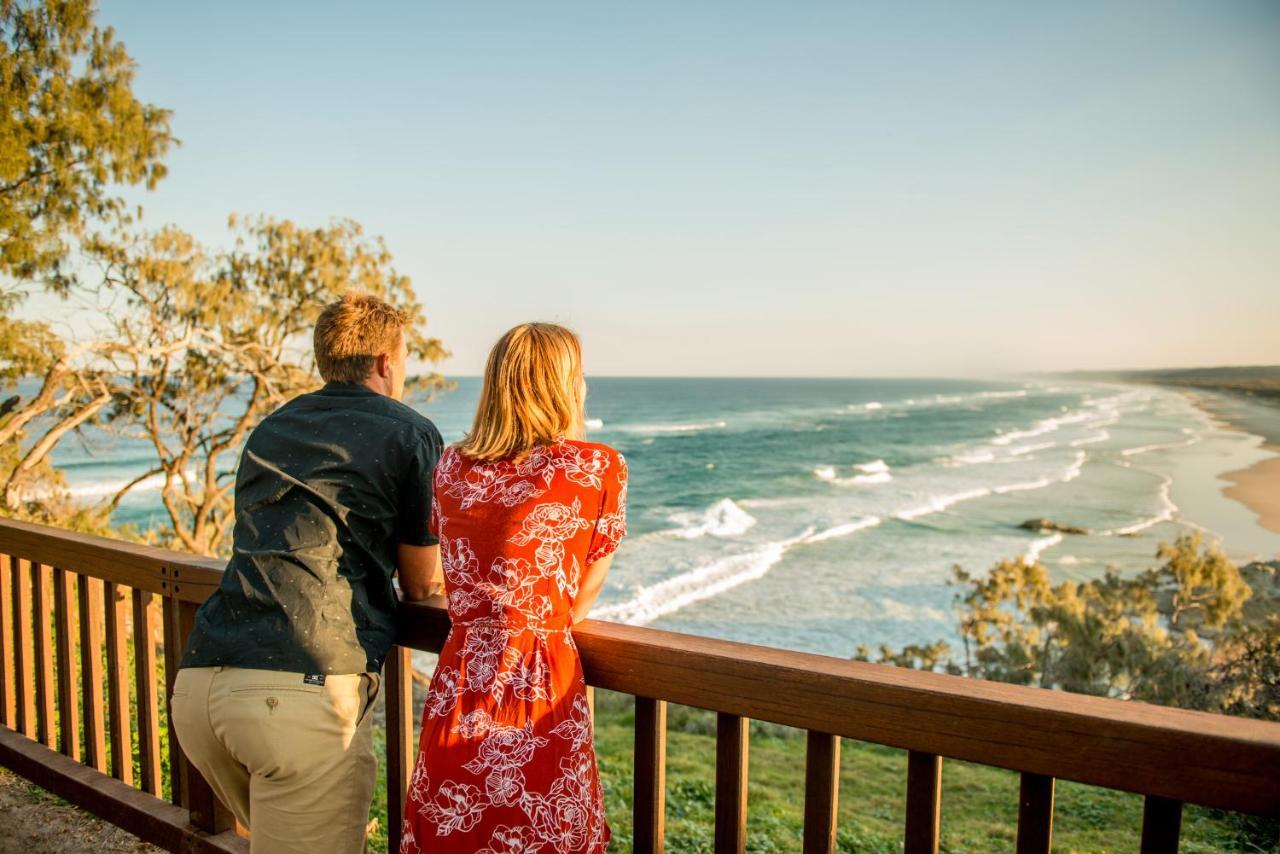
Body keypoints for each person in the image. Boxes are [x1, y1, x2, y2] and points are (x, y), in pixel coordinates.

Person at [170, 293, 444, 854]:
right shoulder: (410, 433)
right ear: (387, 362)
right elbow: (422, 583)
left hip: (202, 688)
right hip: (300, 694)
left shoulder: (272, 427)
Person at [400, 322, 626, 854]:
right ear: (565, 385)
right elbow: (580, 598)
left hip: (459, 686)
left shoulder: (451, 467)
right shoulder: (596, 467)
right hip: (541, 688)